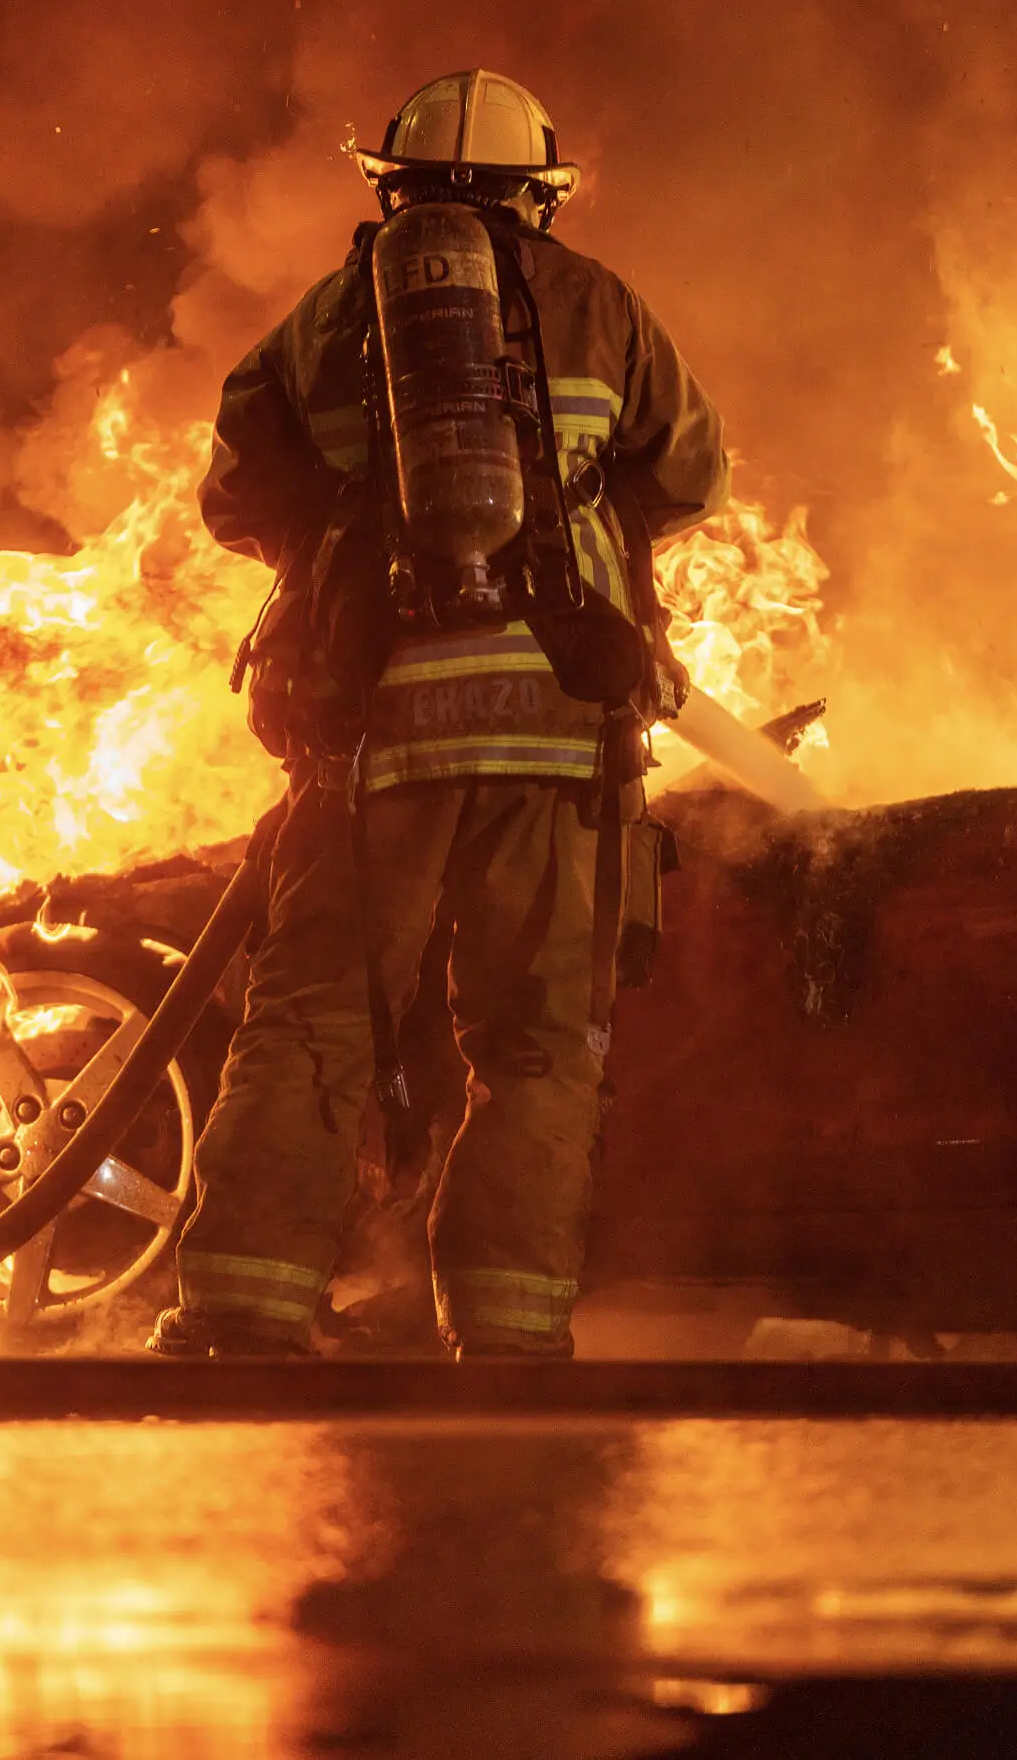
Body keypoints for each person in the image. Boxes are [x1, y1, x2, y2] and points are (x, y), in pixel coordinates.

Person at [149, 69, 729, 1361]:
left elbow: (237, 498)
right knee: (538, 1043)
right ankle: (509, 1332)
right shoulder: (603, 307)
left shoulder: (326, 318)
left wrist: (354, 538)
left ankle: (241, 1305)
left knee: (314, 1020)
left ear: (393, 185)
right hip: (558, 727)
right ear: (538, 195)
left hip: (374, 737)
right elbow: (692, 474)